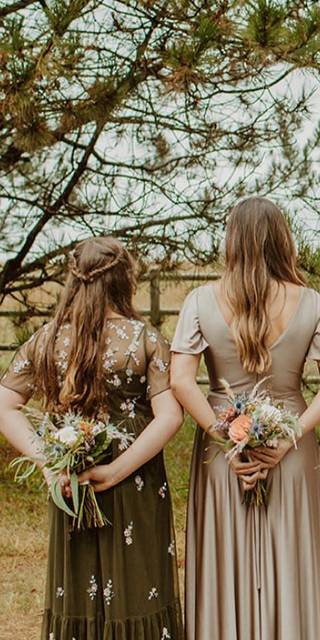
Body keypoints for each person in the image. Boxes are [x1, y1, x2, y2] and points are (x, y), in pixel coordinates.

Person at [169, 197, 320, 639]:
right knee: (290, 553)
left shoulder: (199, 300)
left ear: (231, 240)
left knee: (224, 554)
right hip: (288, 447)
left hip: (221, 452)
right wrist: (291, 434)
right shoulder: (311, 302)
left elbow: (180, 380)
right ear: (282, 240)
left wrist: (223, 435)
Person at [0, 237, 184, 639]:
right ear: (125, 281)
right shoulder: (145, 339)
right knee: (140, 586)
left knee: (78, 587)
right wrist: (116, 470)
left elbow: (4, 404)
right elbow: (170, 416)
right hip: (133, 479)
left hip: (72, 485)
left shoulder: (46, 339)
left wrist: (49, 463)